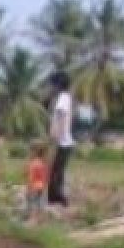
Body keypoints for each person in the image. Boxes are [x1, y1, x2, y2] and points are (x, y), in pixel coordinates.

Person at [48, 71, 74, 207]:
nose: (50, 88)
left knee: (55, 171)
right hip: (64, 141)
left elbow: (61, 118)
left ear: (57, 85)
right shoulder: (66, 97)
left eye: (52, 84)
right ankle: (55, 197)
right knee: (57, 171)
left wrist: (55, 136)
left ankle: (57, 199)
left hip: (61, 142)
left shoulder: (62, 98)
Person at [25, 141, 48, 222]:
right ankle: (40, 220)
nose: (29, 153)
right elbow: (45, 177)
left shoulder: (33, 164)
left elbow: (31, 177)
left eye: (30, 151)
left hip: (34, 186)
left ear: (34, 152)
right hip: (42, 186)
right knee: (40, 204)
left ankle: (31, 220)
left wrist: (29, 188)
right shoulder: (43, 163)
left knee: (32, 204)